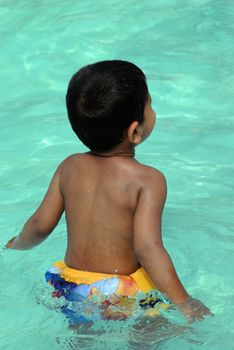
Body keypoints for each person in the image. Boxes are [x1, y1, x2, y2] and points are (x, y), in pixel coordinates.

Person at [6, 60, 212, 324]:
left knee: (82, 336)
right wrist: (186, 302)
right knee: (152, 329)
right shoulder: (148, 180)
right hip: (123, 294)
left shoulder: (69, 167)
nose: (152, 110)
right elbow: (148, 248)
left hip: (73, 287)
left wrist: (16, 244)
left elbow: (40, 224)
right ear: (134, 132)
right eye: (150, 104)